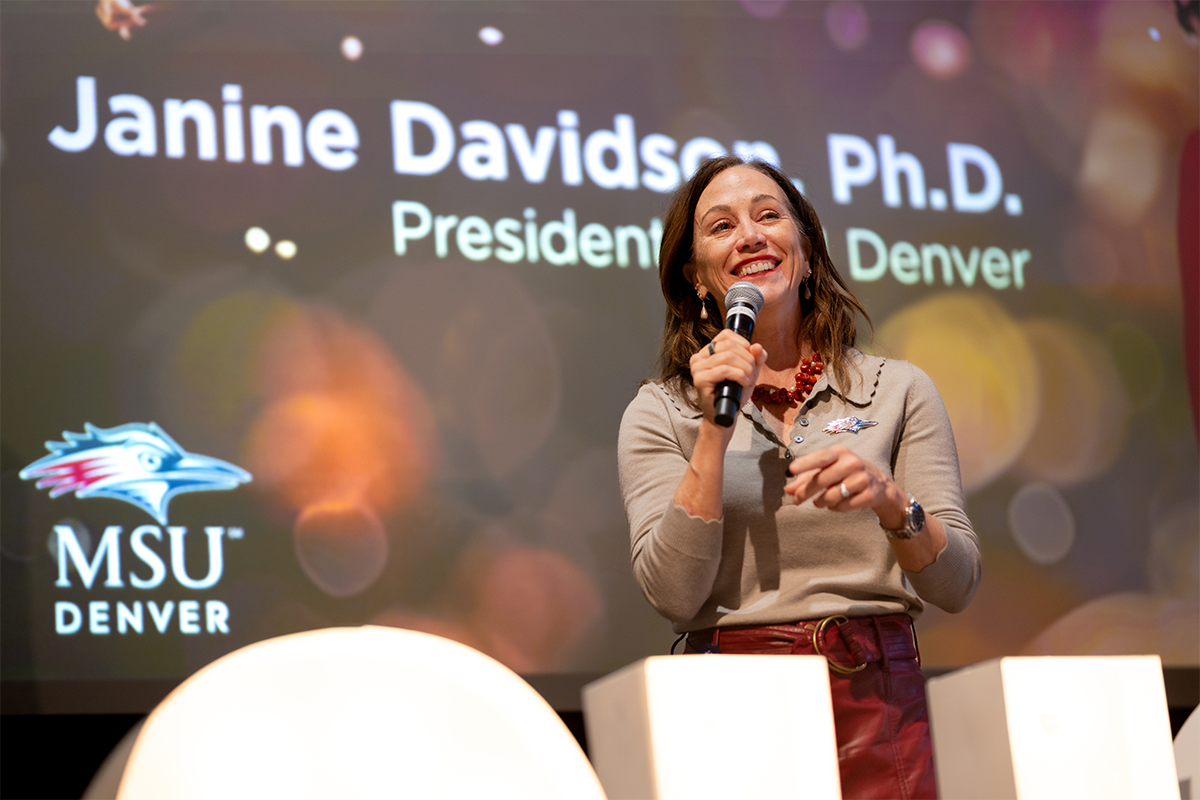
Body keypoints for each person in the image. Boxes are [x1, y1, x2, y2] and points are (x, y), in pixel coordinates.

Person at [617, 155, 981, 800]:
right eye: (721, 226)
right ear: (697, 277)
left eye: (768, 215)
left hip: (879, 702)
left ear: (807, 253)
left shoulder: (897, 390)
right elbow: (673, 594)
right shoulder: (661, 410)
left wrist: (894, 505)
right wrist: (714, 428)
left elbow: (956, 585)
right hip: (736, 708)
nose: (751, 235)